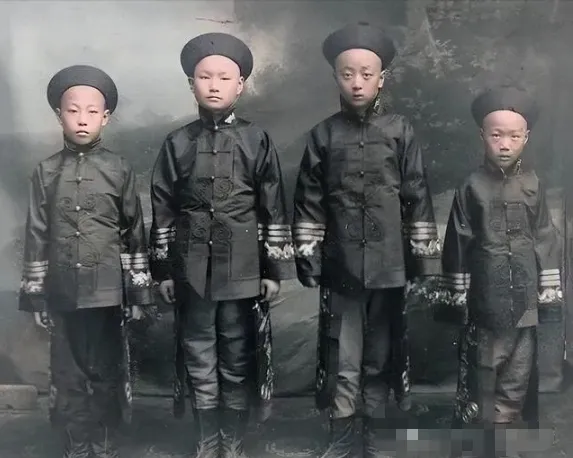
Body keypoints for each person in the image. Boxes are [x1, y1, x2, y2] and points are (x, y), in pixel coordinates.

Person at [292, 22, 441, 458]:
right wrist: (308, 258)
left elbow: (416, 194)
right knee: (344, 353)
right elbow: (309, 200)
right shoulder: (323, 135)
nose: (357, 83)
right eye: (347, 74)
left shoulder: (400, 131)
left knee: (379, 352)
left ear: (382, 78)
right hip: (341, 267)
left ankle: (375, 434)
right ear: (335, 78)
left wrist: (422, 261)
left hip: (389, 265)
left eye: (366, 74)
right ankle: (341, 436)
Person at [149, 32, 293, 458]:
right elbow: (163, 208)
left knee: (236, 353)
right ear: (191, 84)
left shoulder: (256, 140)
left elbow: (272, 207)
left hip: (243, 270)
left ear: (240, 85)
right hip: (191, 270)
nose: (214, 85)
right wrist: (164, 271)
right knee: (198, 353)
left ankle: (232, 439)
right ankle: (206, 438)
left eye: (224, 78)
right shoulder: (177, 143)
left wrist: (273, 271)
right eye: (204, 77)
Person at [19, 64, 152, 458]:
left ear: (105, 117)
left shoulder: (119, 169)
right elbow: (36, 233)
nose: (82, 119)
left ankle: (104, 443)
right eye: (73, 110)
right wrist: (37, 295)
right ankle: (77, 444)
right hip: (62, 291)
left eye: (92, 112)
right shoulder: (45, 172)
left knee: (106, 370)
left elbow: (134, 231)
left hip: (108, 292)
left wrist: (138, 294)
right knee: (68, 373)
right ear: (59, 115)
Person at [438, 85, 562, 457]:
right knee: (483, 374)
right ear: (482, 136)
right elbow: (457, 243)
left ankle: (507, 439)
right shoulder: (471, 187)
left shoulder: (534, 185)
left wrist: (547, 292)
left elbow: (545, 237)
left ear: (526, 138)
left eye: (513, 136)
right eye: (496, 135)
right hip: (485, 299)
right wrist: (458, 299)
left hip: (525, 301)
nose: (504, 144)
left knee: (517, 376)